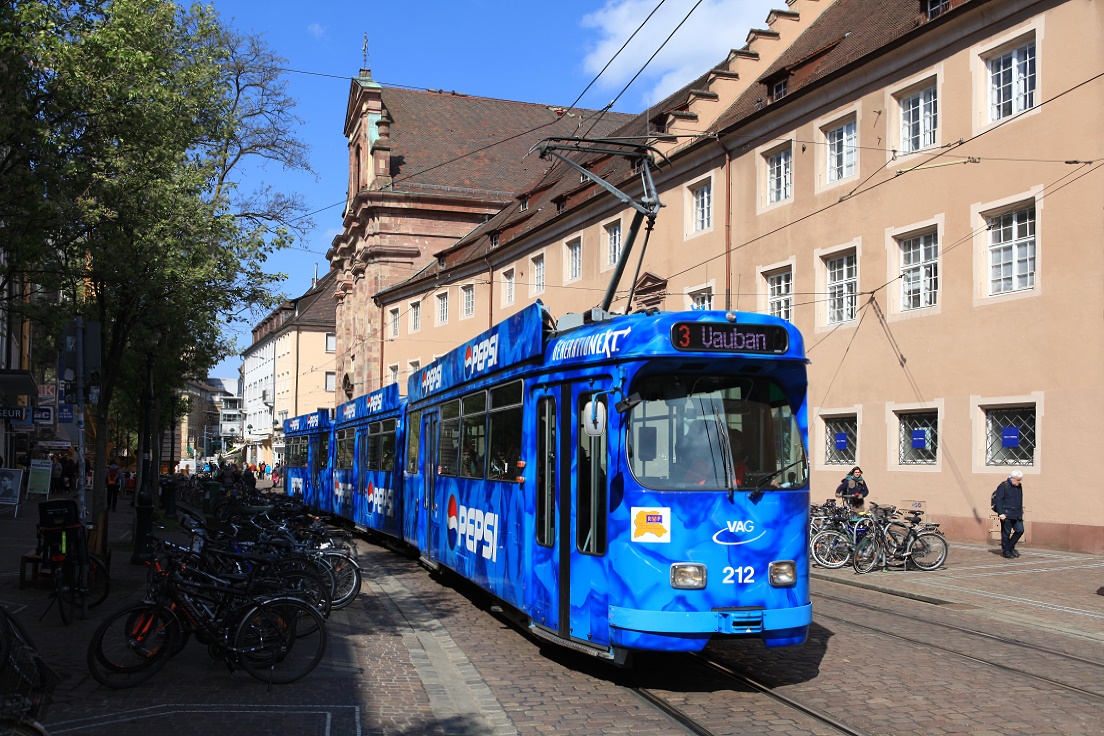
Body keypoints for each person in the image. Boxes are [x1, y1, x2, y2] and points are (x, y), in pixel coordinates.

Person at [993, 470, 1025, 559]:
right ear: (1012, 479)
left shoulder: (1019, 486)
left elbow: (1019, 499)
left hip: (1017, 514)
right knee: (1006, 533)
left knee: (1020, 530)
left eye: (1019, 480)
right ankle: (1006, 551)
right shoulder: (1004, 485)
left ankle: (1010, 547)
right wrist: (1000, 513)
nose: (1018, 482)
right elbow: (999, 500)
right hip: (1006, 514)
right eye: (1017, 480)